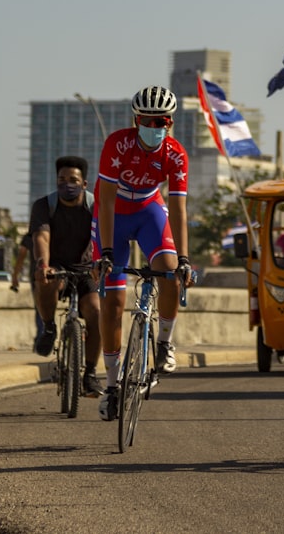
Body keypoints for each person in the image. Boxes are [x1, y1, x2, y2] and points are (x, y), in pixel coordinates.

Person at [93, 86, 194, 421]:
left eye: (161, 121)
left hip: (150, 210)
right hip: (113, 216)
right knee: (113, 304)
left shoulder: (176, 154)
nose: (155, 126)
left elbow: (178, 210)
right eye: (147, 120)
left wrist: (184, 259)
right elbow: (105, 201)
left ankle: (164, 342)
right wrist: (106, 251)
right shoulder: (117, 144)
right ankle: (111, 386)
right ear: (136, 120)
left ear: (170, 123)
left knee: (169, 273)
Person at [28, 156, 104, 397]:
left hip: (85, 269)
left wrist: (101, 264)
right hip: (56, 265)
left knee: (96, 313)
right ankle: (49, 327)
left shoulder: (95, 207)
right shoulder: (44, 205)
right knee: (46, 279)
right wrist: (43, 264)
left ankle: (90, 374)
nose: (67, 185)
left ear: (84, 184)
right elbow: (42, 237)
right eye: (62, 180)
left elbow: (104, 237)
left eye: (73, 180)